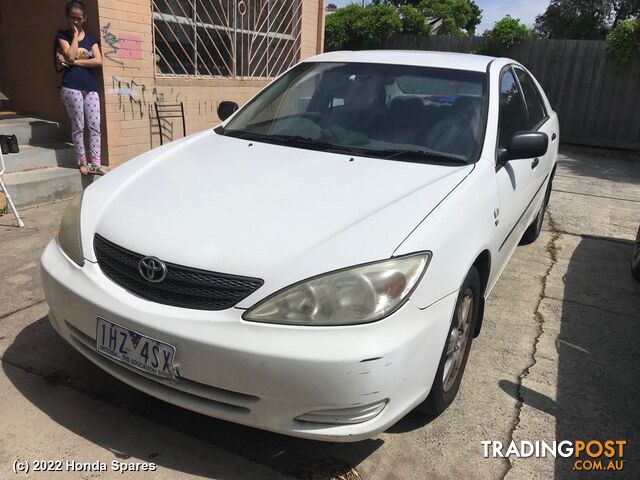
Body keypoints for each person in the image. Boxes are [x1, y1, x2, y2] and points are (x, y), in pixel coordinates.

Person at [56, 1, 106, 175]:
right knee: (78, 125)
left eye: (79, 18)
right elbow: (68, 55)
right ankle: (82, 162)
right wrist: (75, 36)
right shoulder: (62, 35)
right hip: (71, 86)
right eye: (72, 17)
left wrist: (75, 62)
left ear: (85, 18)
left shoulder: (92, 38)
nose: (75, 21)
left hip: (90, 88)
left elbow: (98, 61)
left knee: (94, 125)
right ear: (68, 17)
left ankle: (96, 163)